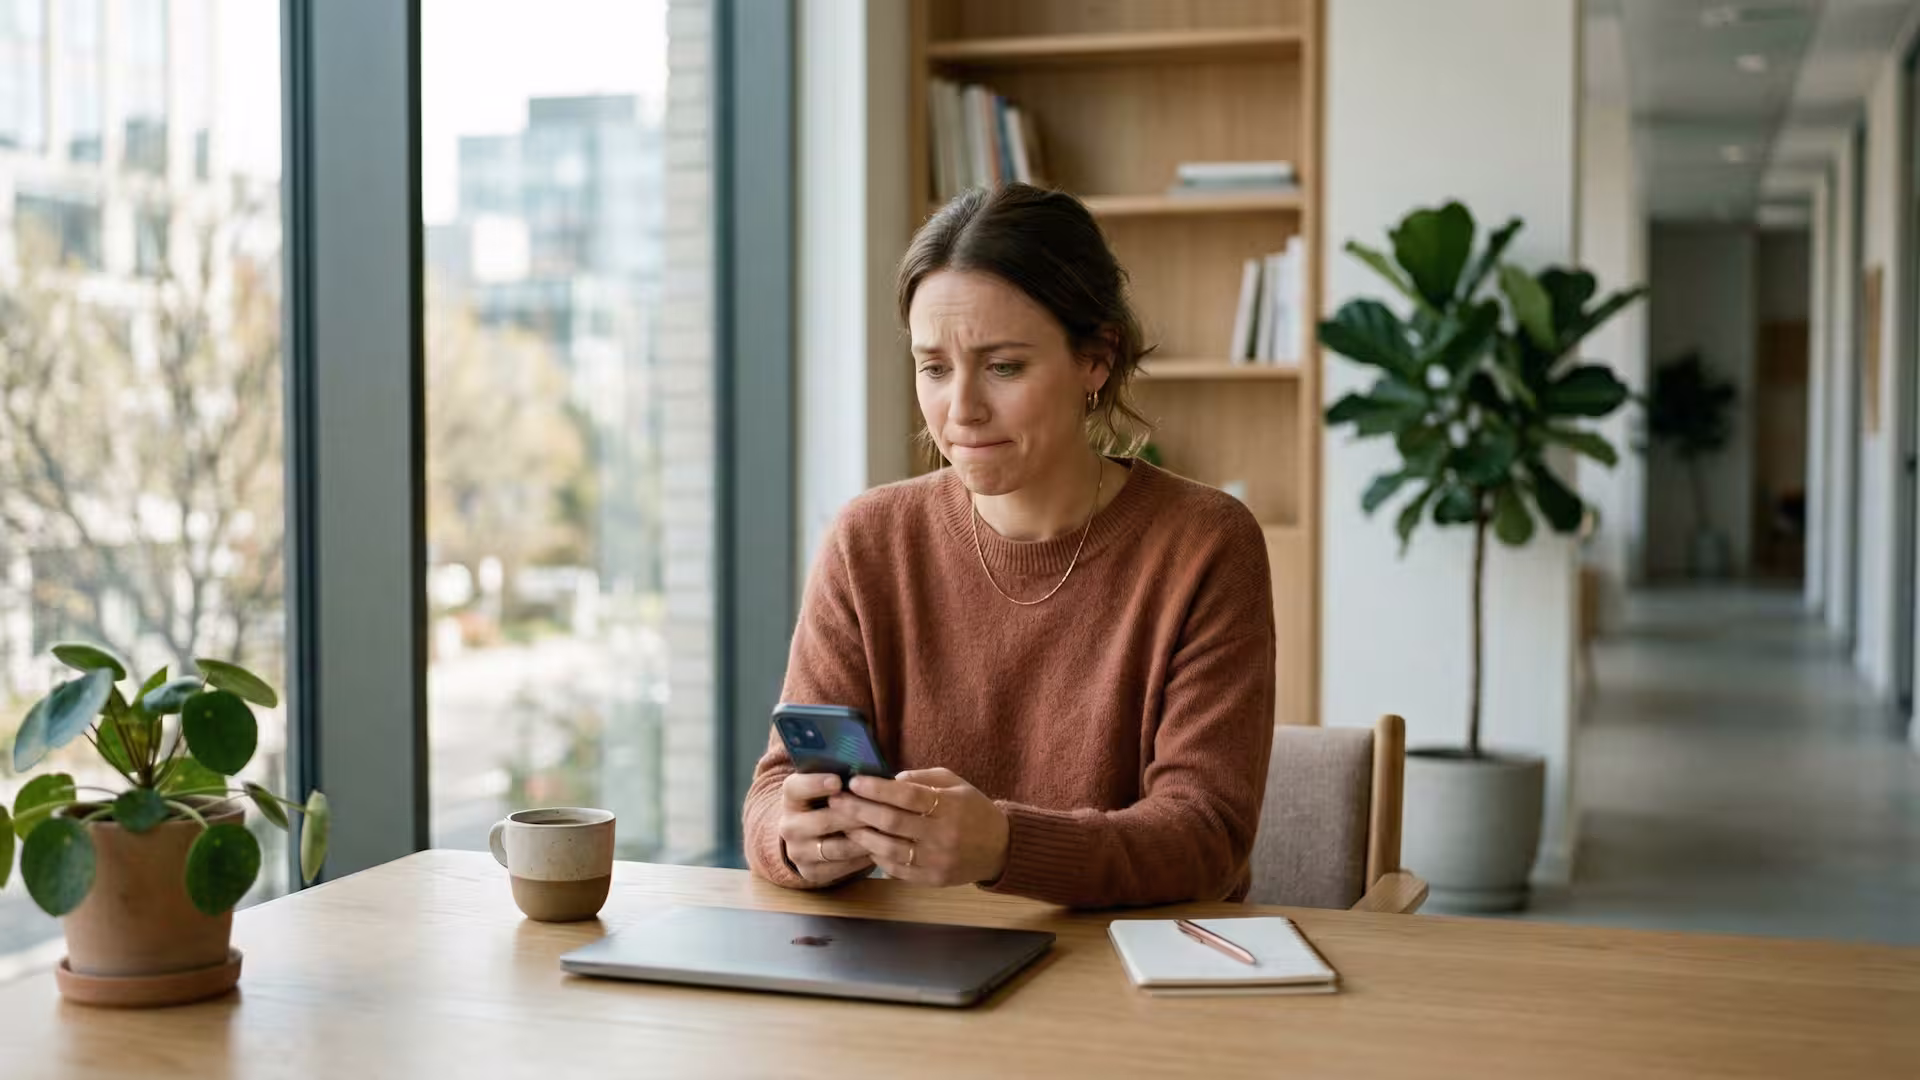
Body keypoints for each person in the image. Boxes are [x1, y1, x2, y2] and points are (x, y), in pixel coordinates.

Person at [742, 183, 1276, 909]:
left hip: (1132, 980)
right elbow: (774, 791)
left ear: (1095, 359)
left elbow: (1205, 835)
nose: (960, 410)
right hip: (922, 971)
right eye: (934, 367)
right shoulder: (869, 541)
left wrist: (1002, 845)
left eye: (1004, 367)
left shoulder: (1205, 544)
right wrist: (794, 838)